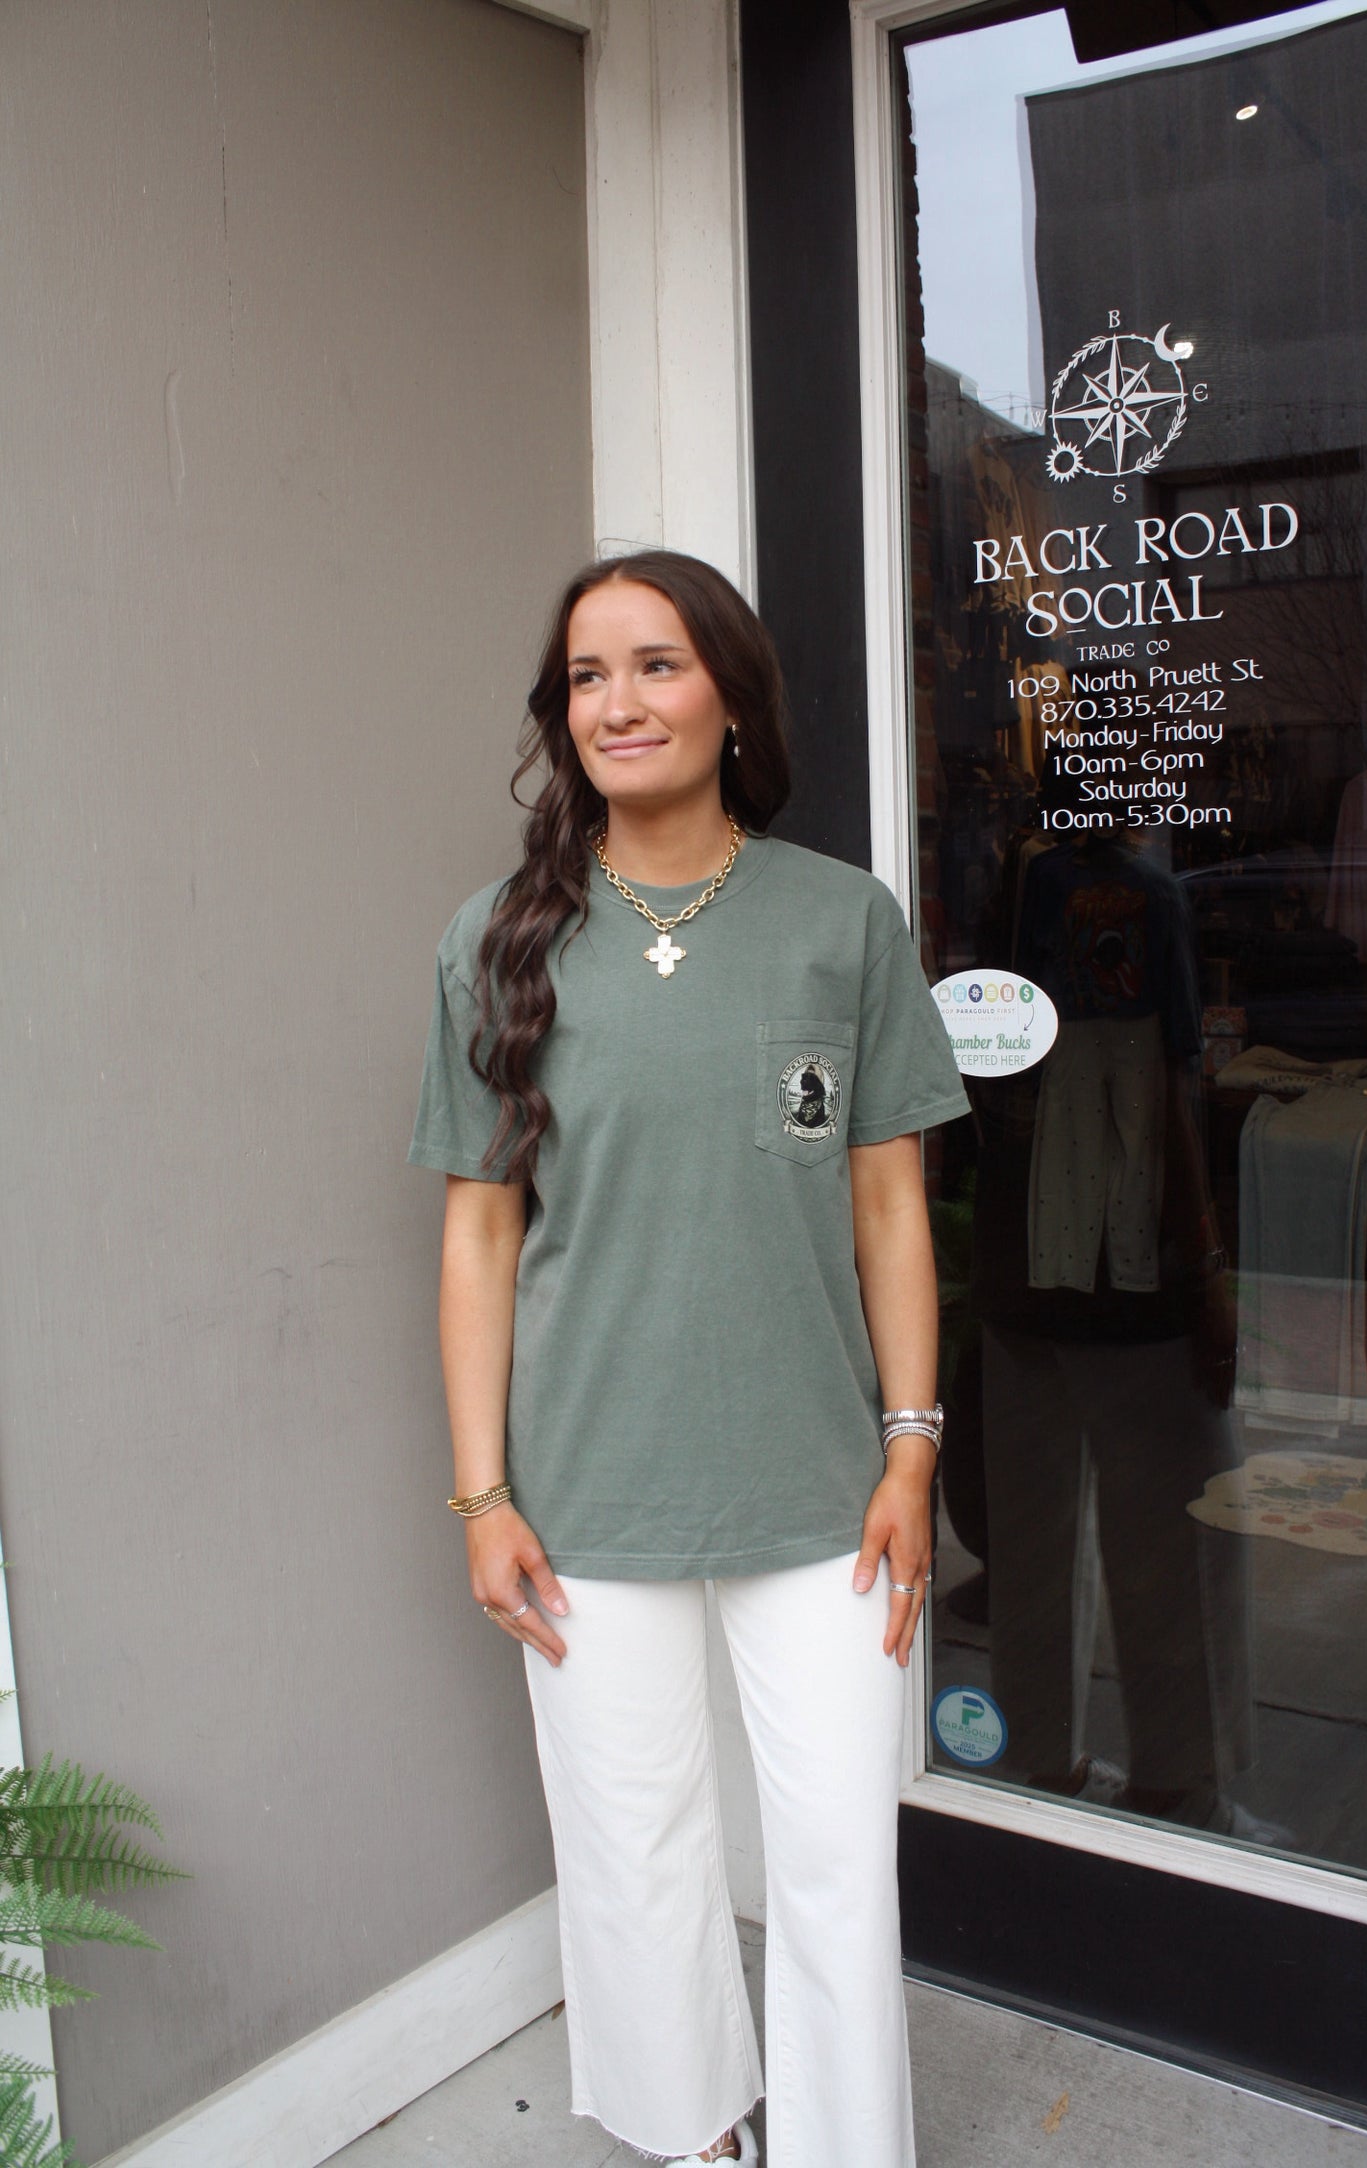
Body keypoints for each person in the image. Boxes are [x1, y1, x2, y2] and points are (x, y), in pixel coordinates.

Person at [408, 549, 967, 2166]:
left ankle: (844, 2145)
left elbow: (889, 1210)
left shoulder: (839, 920)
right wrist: (481, 1499)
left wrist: (912, 1447)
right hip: (584, 1496)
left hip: (823, 1487)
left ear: (728, 696)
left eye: (654, 666)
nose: (618, 703)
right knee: (634, 1846)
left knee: (832, 1858)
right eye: (586, 677)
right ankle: (687, 2128)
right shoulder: (498, 939)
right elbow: (478, 1239)